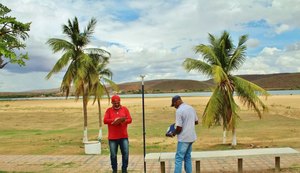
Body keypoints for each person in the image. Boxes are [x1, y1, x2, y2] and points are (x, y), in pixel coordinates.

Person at [166, 95, 198, 173]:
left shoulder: (179, 111)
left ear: (178, 101)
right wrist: (187, 123)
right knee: (187, 157)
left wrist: (172, 133)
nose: (175, 107)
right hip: (191, 137)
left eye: (174, 104)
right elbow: (196, 122)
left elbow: (179, 128)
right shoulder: (191, 108)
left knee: (178, 159)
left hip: (184, 138)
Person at [104, 95, 132, 173]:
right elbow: (105, 120)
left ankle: (124, 170)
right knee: (113, 155)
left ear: (120, 101)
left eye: (118, 102)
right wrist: (114, 120)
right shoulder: (109, 110)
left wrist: (123, 121)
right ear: (112, 102)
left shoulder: (125, 109)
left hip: (123, 136)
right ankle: (114, 170)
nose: (116, 104)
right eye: (114, 103)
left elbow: (130, 119)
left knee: (125, 154)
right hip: (112, 138)